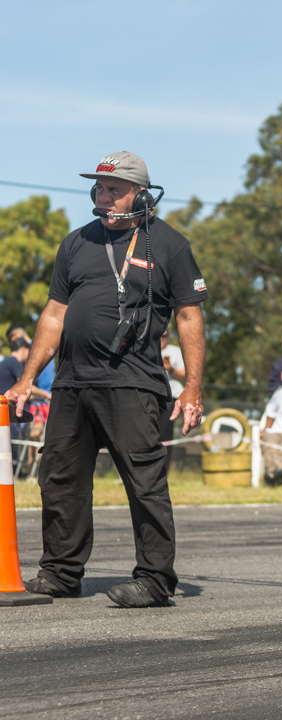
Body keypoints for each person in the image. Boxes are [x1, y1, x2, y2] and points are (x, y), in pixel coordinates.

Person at [10, 151, 208, 608]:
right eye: (99, 188)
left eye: (114, 190)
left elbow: (189, 318)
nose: (104, 196)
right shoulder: (77, 242)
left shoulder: (170, 245)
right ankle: (61, 573)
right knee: (60, 478)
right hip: (72, 383)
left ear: (141, 194)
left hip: (133, 384)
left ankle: (155, 580)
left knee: (144, 483)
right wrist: (27, 377)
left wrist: (193, 388)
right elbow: (54, 314)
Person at [159, 328, 186, 467]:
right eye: (159, 335)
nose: (161, 339)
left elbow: (186, 375)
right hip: (147, 396)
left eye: (164, 336)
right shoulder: (145, 350)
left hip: (170, 397)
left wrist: (171, 369)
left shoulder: (175, 351)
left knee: (164, 435)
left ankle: (163, 470)